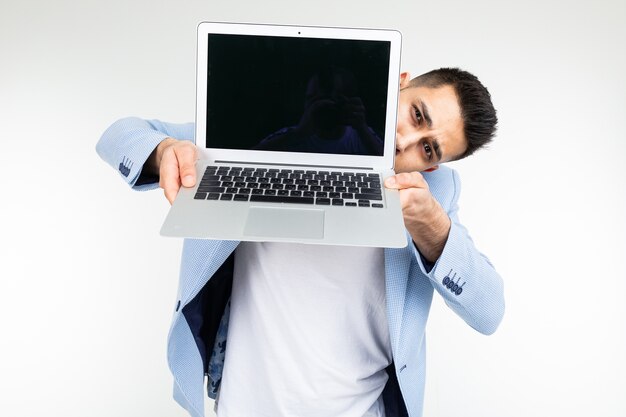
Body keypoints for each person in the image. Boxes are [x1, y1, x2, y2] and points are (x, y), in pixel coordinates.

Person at [96, 68, 505, 417]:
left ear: (432, 165)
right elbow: (119, 135)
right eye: (416, 115)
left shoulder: (435, 194)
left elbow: (490, 310)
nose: (405, 142)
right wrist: (166, 150)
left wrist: (434, 229)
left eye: (427, 148)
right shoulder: (254, 140)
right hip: (243, 404)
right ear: (398, 82)